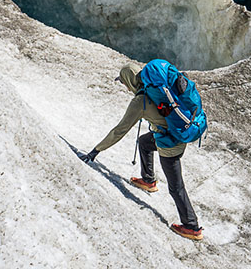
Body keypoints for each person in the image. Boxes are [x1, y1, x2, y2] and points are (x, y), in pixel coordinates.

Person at [81, 61, 203, 240]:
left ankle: (192, 226)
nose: (125, 86)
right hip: (174, 132)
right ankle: (148, 180)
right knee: (145, 142)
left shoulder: (140, 101)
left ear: (129, 81)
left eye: (123, 82)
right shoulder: (154, 88)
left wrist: (95, 151)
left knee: (176, 187)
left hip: (171, 144)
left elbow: (119, 131)